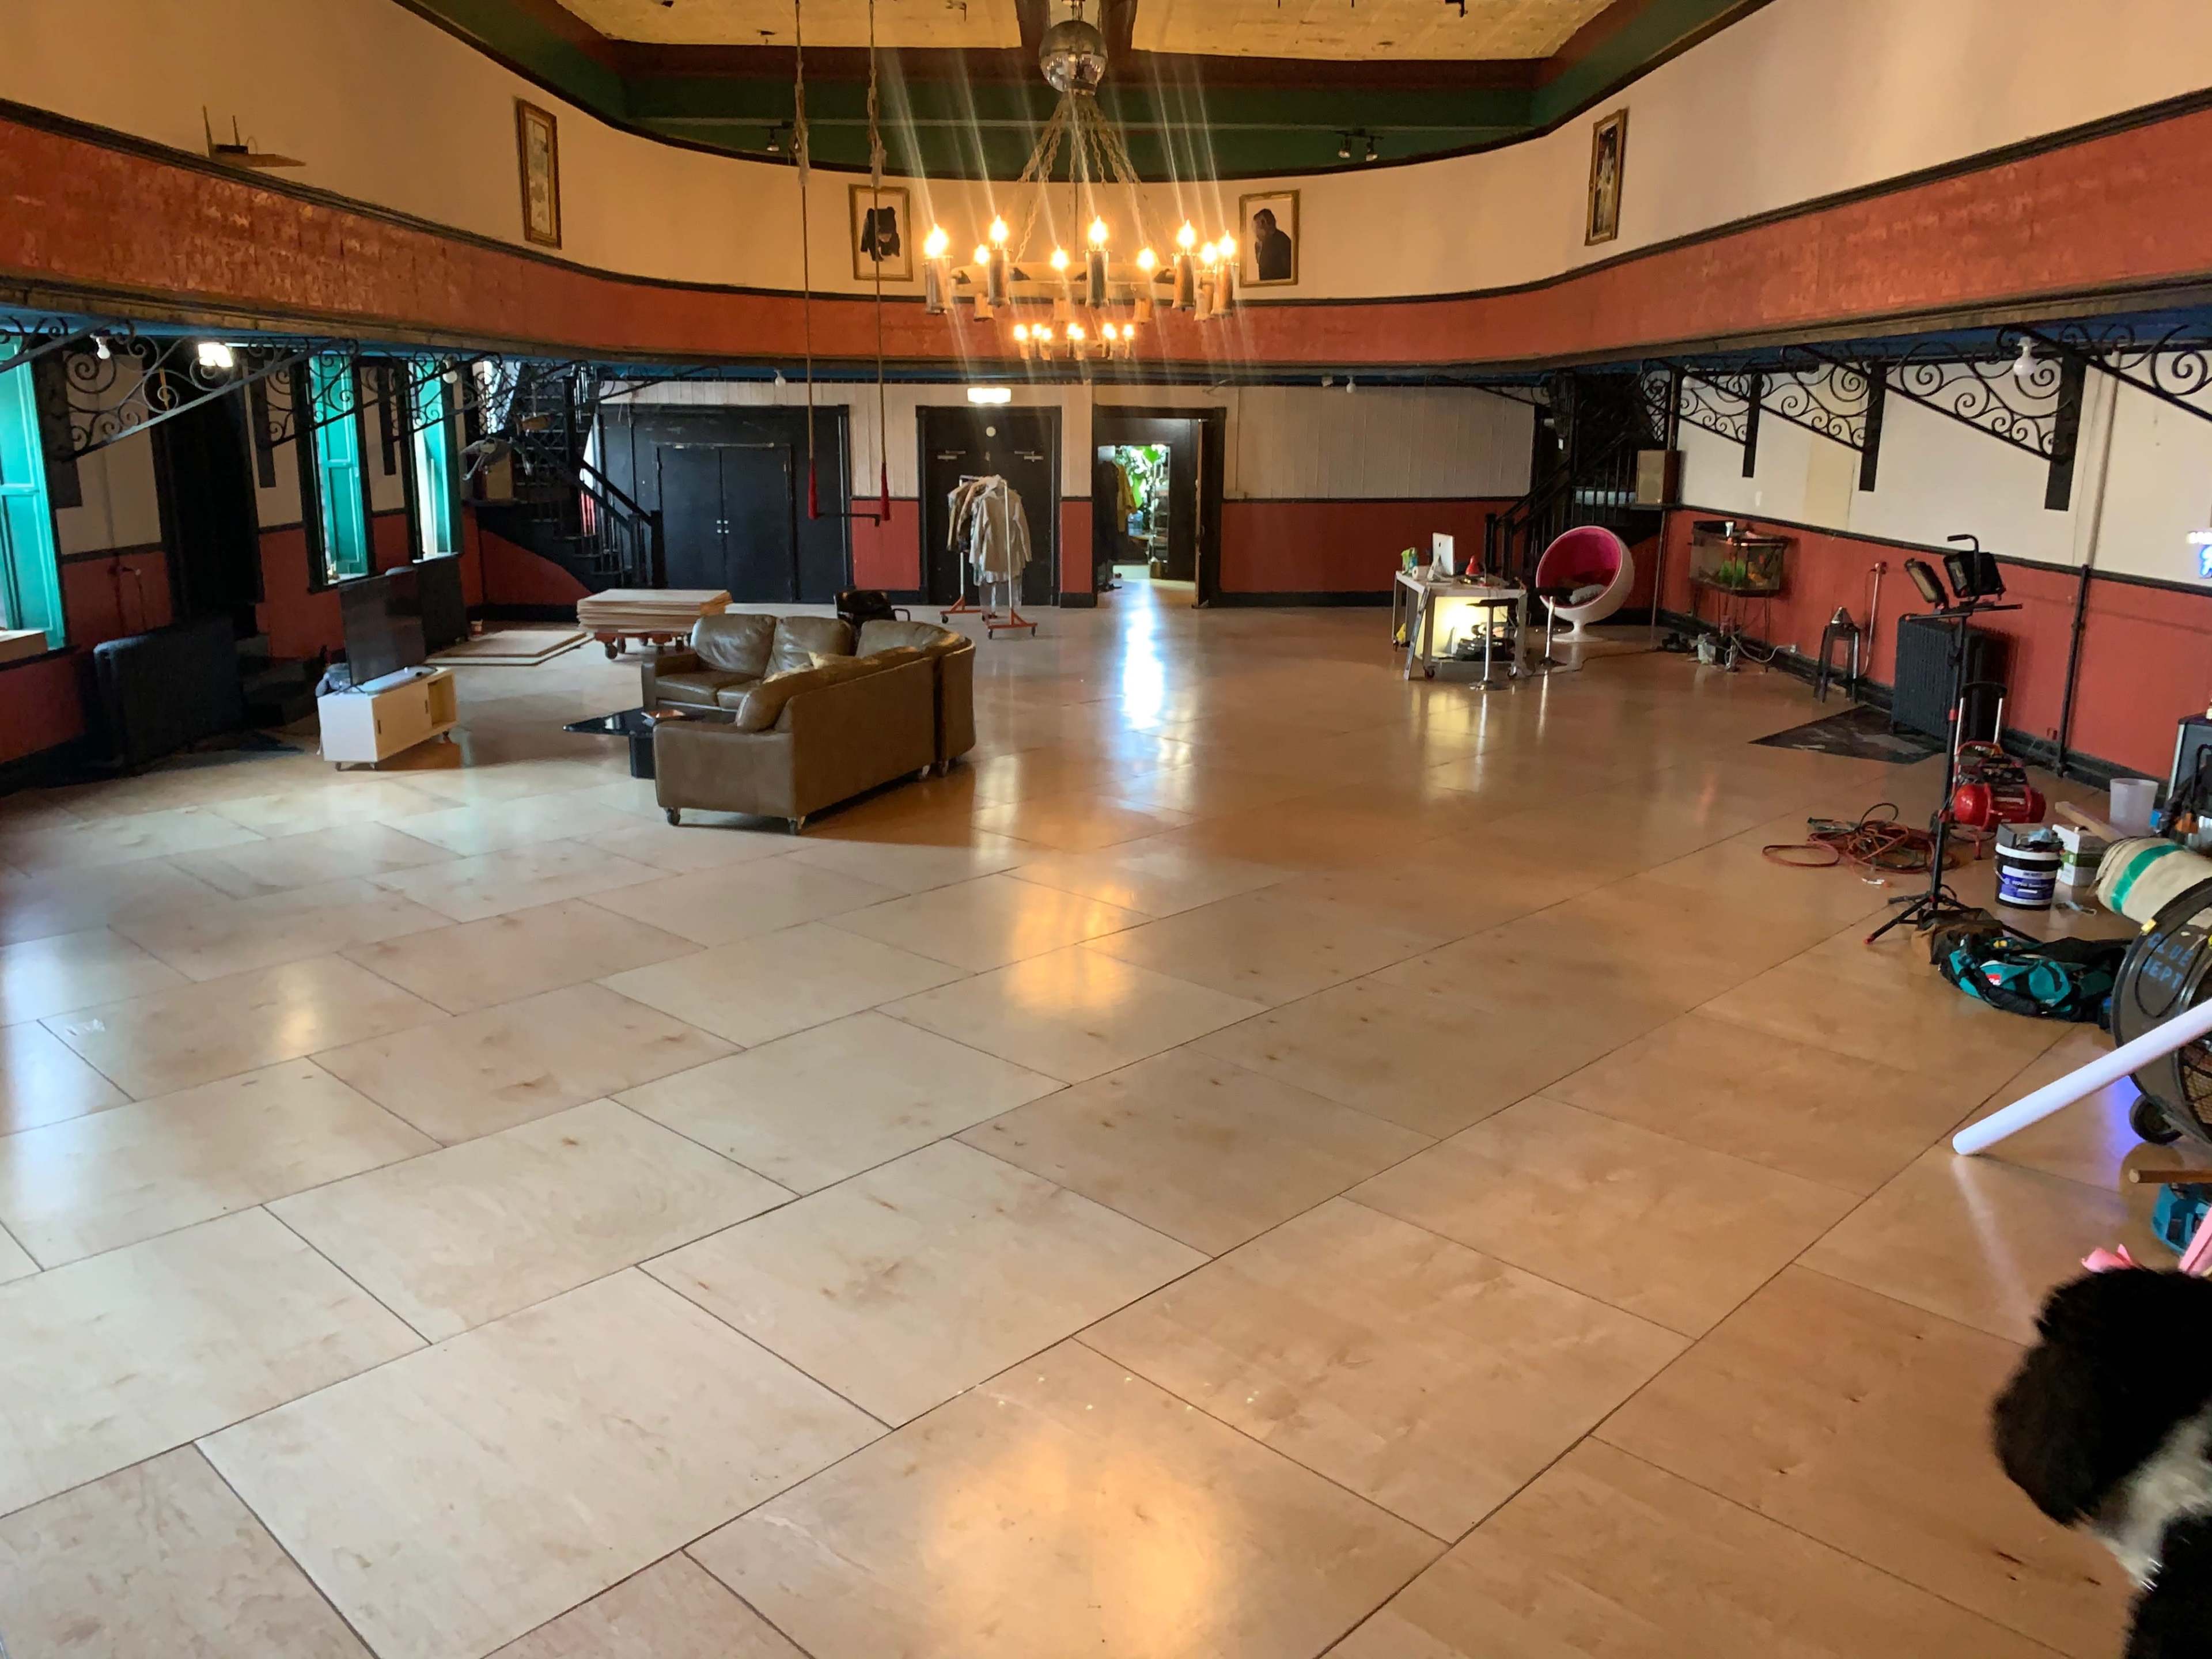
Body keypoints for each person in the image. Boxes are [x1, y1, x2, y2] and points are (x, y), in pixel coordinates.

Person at [1252, 207, 1293, 282]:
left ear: (1265, 224)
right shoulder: (1261, 244)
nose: (1255, 232)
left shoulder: (1282, 241)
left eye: (1257, 227)